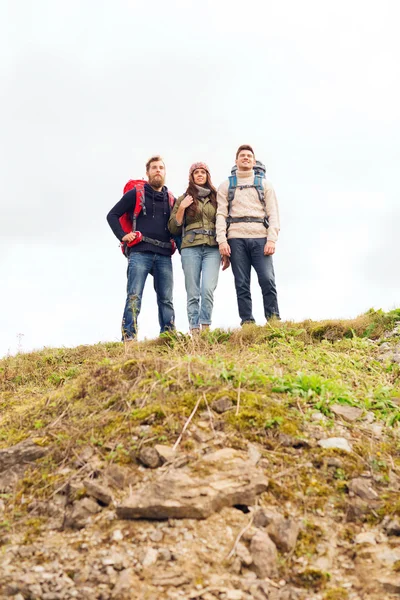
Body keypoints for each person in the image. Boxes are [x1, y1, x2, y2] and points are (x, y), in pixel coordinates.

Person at [107, 156, 175, 340]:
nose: (158, 170)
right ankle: (129, 337)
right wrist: (122, 236)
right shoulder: (136, 193)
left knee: (166, 299)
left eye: (161, 167)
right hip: (139, 252)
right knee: (134, 296)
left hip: (163, 254)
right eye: (154, 168)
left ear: (165, 172)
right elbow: (112, 215)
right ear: (147, 173)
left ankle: (168, 337)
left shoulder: (171, 199)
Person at [216, 145, 280, 325]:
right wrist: (222, 241)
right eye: (242, 156)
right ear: (236, 161)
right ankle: (247, 322)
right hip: (235, 238)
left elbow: (273, 213)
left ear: (254, 161)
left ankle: (273, 319)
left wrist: (272, 239)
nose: (245, 158)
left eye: (249, 156)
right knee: (242, 283)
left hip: (261, 237)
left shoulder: (265, 185)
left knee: (267, 279)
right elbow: (221, 214)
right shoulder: (226, 185)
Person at [169, 162, 229, 333]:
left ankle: (206, 327)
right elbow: (173, 227)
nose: (200, 175)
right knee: (193, 291)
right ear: (192, 176)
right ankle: (194, 330)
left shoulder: (217, 197)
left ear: (208, 175)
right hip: (190, 249)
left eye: (203, 172)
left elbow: (225, 222)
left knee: (208, 289)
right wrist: (182, 207)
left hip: (212, 249)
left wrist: (225, 250)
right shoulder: (184, 198)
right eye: (197, 173)